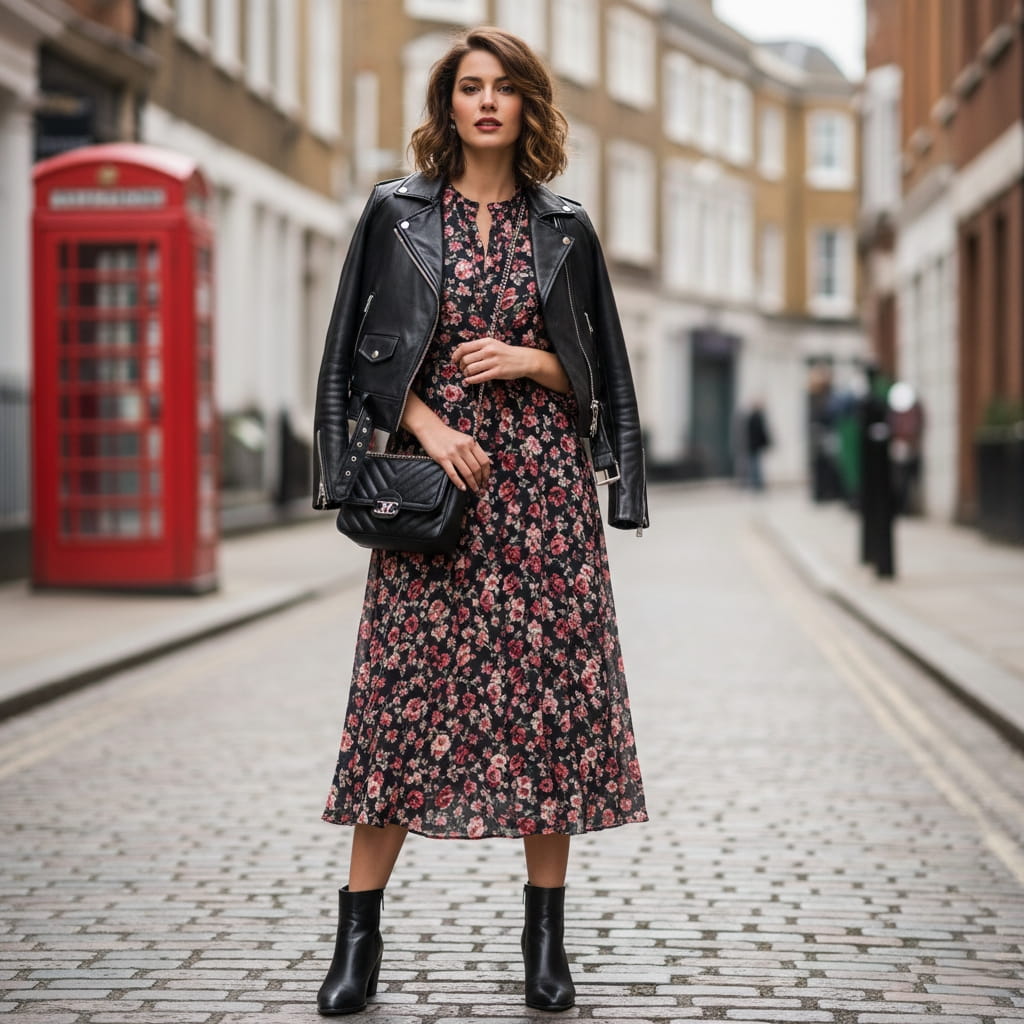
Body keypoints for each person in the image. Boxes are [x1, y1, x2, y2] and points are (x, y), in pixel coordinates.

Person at [310, 26, 649, 1016]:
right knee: (400, 711)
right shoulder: (395, 212)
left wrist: (530, 361)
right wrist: (420, 423)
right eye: (470, 86)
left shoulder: (567, 227)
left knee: (551, 716)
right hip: (435, 503)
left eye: (504, 87)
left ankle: (546, 943)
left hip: (545, 503)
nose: (487, 101)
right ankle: (357, 940)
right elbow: (356, 357)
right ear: (447, 103)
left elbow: (602, 374)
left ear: (526, 104)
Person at [743, 400, 772, 491]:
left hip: (754, 445)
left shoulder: (754, 417)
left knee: (755, 465)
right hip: (755, 445)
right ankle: (757, 484)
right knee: (755, 465)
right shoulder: (756, 417)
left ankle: (756, 483)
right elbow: (760, 432)